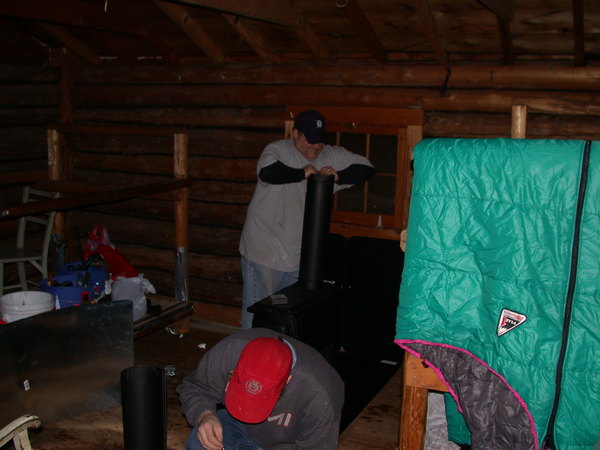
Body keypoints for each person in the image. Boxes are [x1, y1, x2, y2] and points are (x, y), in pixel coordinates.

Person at [239, 109, 375, 328]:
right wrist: (302, 173)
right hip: (264, 250)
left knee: (286, 314)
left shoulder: (331, 155)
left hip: (297, 256)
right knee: (257, 314)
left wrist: (339, 176)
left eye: (319, 141)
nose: (315, 147)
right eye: (309, 140)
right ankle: (246, 358)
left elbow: (367, 168)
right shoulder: (277, 150)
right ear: (295, 134)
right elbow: (267, 172)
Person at [177, 327, 345, 450]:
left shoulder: (320, 393)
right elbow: (194, 387)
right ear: (235, 367)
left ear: (288, 380)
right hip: (237, 428)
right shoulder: (228, 352)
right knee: (199, 442)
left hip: (285, 445)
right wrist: (204, 415)